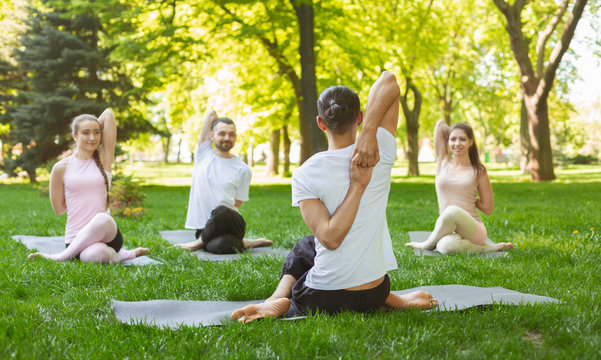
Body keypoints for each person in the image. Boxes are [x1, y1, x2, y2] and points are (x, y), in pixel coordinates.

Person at [231, 71, 437, 323]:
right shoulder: (380, 150)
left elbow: (330, 238)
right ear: (359, 118)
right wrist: (370, 133)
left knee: (304, 249)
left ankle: (276, 300)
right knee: (309, 243)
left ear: (320, 123)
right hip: (375, 290)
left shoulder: (305, 174)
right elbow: (389, 81)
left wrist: (357, 185)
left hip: (321, 298)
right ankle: (389, 299)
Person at [28, 109, 149, 263]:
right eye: (85, 132)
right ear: (75, 136)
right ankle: (123, 255)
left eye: (97, 132)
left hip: (107, 234)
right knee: (95, 256)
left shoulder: (104, 158)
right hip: (75, 239)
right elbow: (59, 209)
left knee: (101, 218)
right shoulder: (60, 168)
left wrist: (89, 122)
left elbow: (109, 114)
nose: (92, 137)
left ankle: (59, 257)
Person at [405, 120, 514, 254]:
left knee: (451, 211)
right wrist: (453, 129)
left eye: (462, 139)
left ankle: (427, 244)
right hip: (449, 229)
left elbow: (488, 208)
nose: (457, 143)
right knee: (446, 247)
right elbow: (440, 125)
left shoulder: (478, 170)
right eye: (453, 139)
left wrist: (471, 199)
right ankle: (487, 248)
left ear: (471, 142)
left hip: (473, 229)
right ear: (448, 141)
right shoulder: (443, 162)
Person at [175, 110, 273, 254]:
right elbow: (210, 114)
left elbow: (236, 204)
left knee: (221, 210)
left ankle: (197, 243)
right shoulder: (203, 154)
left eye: (231, 134)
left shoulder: (243, 169)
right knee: (220, 246)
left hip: (231, 223)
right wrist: (217, 121)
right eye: (222, 133)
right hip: (205, 227)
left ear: (236, 137)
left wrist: (220, 217)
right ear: (211, 135)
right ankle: (246, 243)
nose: (227, 137)